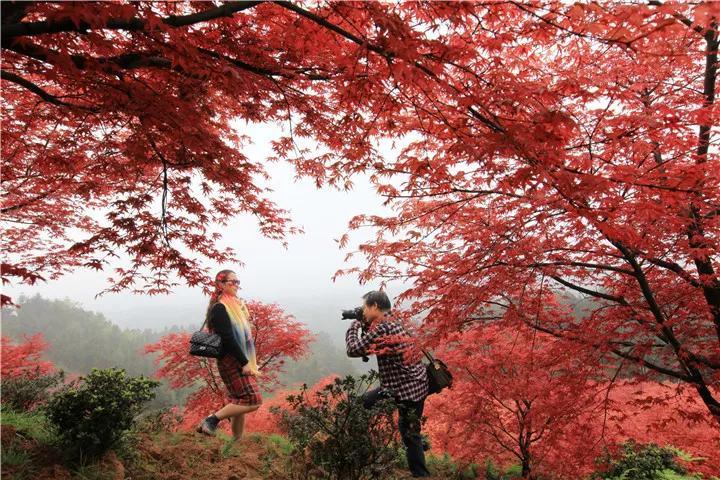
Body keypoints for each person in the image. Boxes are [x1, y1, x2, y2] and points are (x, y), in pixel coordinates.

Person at [345, 290, 431, 478]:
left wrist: (354, 326)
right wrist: (366, 323)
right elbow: (375, 342)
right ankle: (420, 460)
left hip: (401, 388)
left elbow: (353, 350)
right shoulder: (395, 320)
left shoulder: (383, 327)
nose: (364, 311)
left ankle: (360, 456)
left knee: (357, 407)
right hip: (418, 384)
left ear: (375, 306)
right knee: (411, 433)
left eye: (365, 307)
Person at [196, 269, 262, 440]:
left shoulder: (234, 305)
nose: (236, 285)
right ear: (220, 285)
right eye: (232, 282)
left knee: (240, 399)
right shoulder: (220, 307)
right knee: (253, 400)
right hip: (230, 359)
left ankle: (237, 442)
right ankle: (211, 420)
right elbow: (228, 338)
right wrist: (244, 362)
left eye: (237, 281)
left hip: (235, 357)